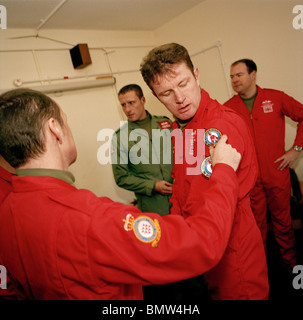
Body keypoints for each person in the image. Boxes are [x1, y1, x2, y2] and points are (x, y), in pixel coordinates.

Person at [0, 88, 241, 300]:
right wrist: (224, 170)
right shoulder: (92, 219)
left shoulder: (7, 211)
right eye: (66, 121)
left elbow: (8, 288)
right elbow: (202, 244)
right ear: (55, 129)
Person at [140, 43, 269, 300]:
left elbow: (213, 201)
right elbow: (181, 188)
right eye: (166, 93)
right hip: (203, 246)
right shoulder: (182, 129)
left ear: (197, 75)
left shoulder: (220, 124)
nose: (179, 98)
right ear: (155, 97)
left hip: (232, 248)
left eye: (184, 83)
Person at [224, 59, 303, 269]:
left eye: (239, 75)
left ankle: (291, 267)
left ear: (253, 74)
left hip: (277, 173)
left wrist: (296, 150)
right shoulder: (228, 108)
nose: (234, 80)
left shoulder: (275, 98)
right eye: (232, 76)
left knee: (283, 226)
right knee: (253, 228)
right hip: (249, 181)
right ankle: (259, 271)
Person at [112, 84, 173, 216]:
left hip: (180, 200)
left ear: (143, 100)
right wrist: (153, 185)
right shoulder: (120, 137)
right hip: (153, 207)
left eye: (131, 103)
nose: (127, 109)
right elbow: (121, 177)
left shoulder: (165, 125)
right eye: (123, 105)